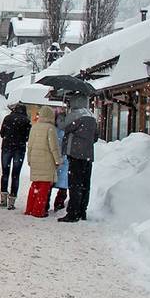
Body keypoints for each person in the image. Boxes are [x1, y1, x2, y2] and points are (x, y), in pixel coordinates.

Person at [58, 94, 99, 223]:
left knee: (75, 184)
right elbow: (96, 137)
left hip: (75, 154)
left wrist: (61, 115)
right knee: (85, 184)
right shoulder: (92, 116)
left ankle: (73, 213)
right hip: (88, 155)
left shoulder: (75, 115)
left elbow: (62, 126)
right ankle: (82, 211)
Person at [23, 106, 62, 218]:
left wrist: (29, 159)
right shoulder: (50, 129)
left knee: (35, 185)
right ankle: (38, 211)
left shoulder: (34, 127)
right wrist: (58, 160)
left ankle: (29, 209)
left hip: (35, 160)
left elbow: (30, 145)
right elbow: (53, 147)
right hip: (47, 160)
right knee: (44, 187)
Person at [0, 103, 31, 210]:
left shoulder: (7, 118)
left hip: (7, 147)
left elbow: (2, 133)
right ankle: (12, 201)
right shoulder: (26, 120)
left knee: (5, 173)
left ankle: (3, 198)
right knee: (16, 175)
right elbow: (27, 137)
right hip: (19, 149)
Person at [49, 107, 69, 212]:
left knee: (49, 182)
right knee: (63, 184)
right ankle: (59, 204)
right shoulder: (68, 130)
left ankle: (45, 204)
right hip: (64, 158)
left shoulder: (52, 129)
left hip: (53, 159)